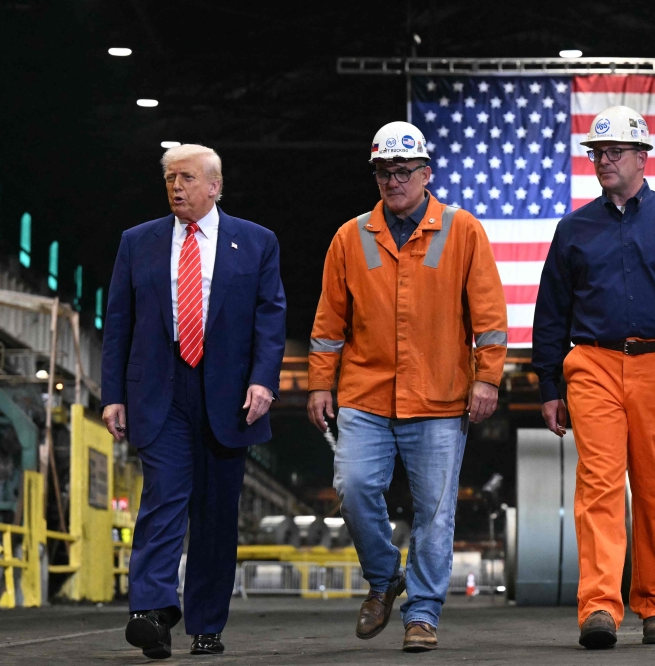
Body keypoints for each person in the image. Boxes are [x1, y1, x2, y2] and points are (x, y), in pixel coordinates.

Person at [307, 121, 508, 652]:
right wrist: (318, 385)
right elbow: (329, 321)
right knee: (351, 488)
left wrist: (487, 377)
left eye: (402, 171)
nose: (392, 181)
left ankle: (421, 613)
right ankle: (383, 577)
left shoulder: (462, 230)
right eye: (382, 172)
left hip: (440, 396)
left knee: (434, 512)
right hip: (365, 394)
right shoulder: (350, 237)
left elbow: (488, 315)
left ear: (426, 173)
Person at [532, 106, 655, 649]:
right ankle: (599, 607)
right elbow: (550, 313)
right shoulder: (574, 229)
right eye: (597, 152)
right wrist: (550, 385)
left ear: (643, 158)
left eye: (615, 151)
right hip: (591, 364)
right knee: (598, 487)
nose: (604, 161)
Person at [101, 144, 286, 659]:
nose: (175, 187)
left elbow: (270, 318)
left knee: (215, 514)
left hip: (229, 396)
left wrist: (263, 381)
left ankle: (206, 624)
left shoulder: (256, 242)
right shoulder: (137, 242)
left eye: (185, 178)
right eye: (168, 179)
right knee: (163, 497)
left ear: (214, 186)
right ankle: (151, 610)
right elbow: (118, 323)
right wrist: (112, 395)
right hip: (160, 391)